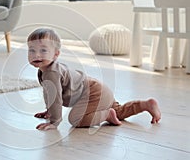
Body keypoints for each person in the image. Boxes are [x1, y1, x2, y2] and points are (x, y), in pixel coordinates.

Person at [27, 27, 161, 131]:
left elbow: (55, 97)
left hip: (94, 92)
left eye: (43, 50)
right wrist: (49, 111)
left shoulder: (52, 73)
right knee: (119, 112)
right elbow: (50, 95)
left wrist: (54, 122)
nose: (36, 54)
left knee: (76, 119)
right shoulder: (44, 70)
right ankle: (145, 104)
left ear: (56, 54)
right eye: (32, 50)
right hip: (98, 89)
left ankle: (107, 114)